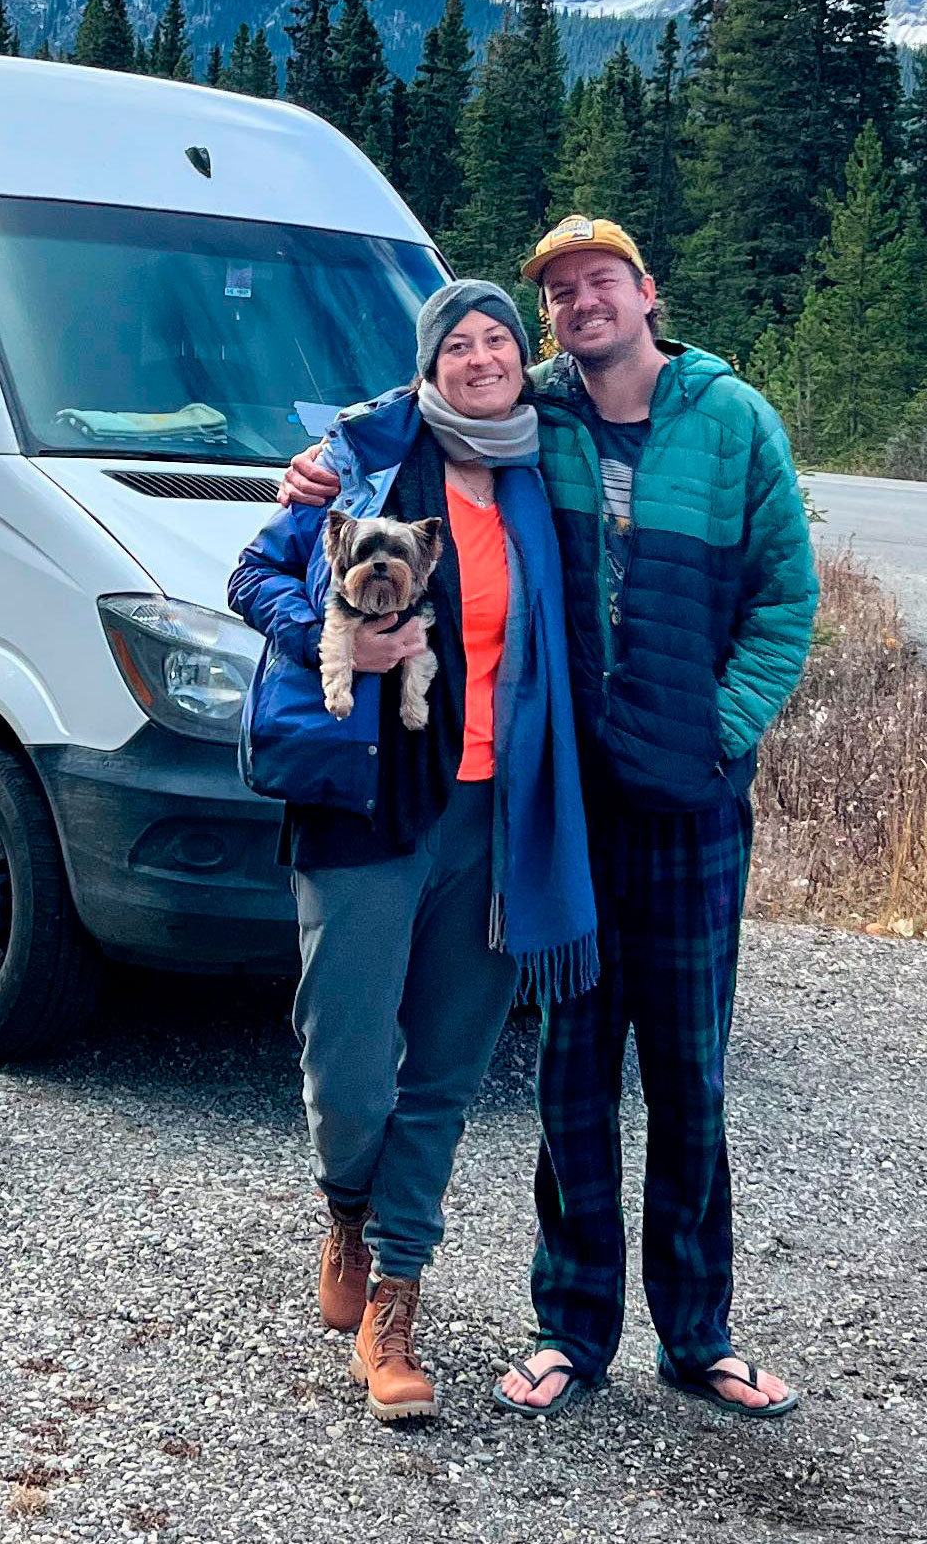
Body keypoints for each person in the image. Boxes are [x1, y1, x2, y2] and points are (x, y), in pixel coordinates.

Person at [281, 218, 816, 1422]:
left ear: (646, 294)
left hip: (686, 811)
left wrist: (716, 737)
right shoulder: (547, 422)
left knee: (689, 1078)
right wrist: (321, 460)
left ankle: (699, 1335)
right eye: (559, 293)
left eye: (598, 285)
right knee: (571, 1077)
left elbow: (787, 601)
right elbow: (431, 390)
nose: (578, 307)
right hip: (563, 814)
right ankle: (571, 1328)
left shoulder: (732, 424)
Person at [229, 280, 597, 1426]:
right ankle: (346, 1205)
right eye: (460, 344)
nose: (483, 357)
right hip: (369, 805)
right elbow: (252, 576)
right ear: (429, 366)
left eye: (499, 339)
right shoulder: (365, 462)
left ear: (519, 360)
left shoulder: (548, 471)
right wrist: (343, 634)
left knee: (445, 1069)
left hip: (505, 816)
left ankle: (396, 1296)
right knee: (344, 1053)